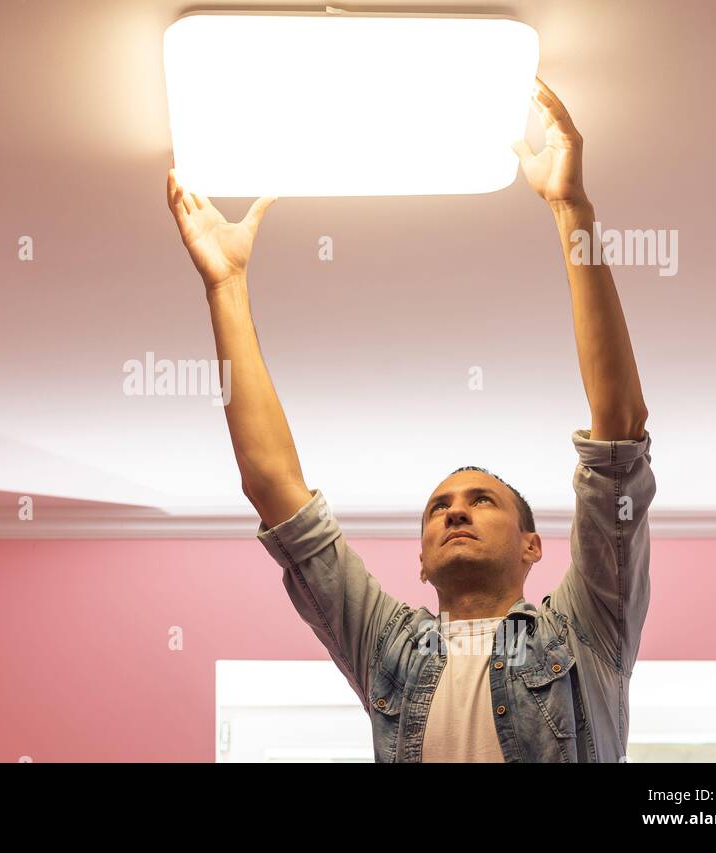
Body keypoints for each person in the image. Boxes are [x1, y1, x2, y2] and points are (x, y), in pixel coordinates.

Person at [165, 78, 655, 763]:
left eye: (481, 500)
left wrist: (572, 207)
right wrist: (226, 286)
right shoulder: (390, 647)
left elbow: (618, 433)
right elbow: (276, 491)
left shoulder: (585, 631)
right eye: (437, 508)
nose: (454, 513)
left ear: (532, 546)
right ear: (421, 562)